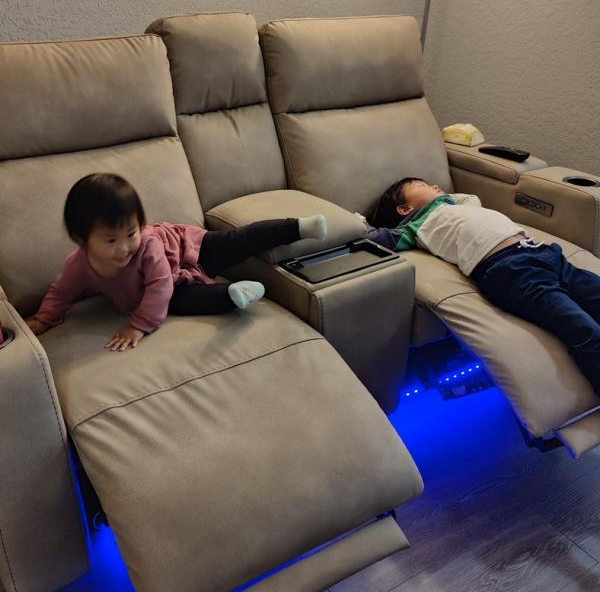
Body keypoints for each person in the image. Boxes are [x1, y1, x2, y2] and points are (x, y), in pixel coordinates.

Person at [26, 173, 327, 351]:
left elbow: (159, 284)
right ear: (82, 239)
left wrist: (138, 326)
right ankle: (236, 293)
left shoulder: (147, 244)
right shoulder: (79, 265)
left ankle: (297, 227)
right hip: (174, 286)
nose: (124, 248)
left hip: (188, 250)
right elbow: (61, 292)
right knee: (185, 302)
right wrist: (43, 318)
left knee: (235, 241)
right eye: (110, 240)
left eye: (130, 233)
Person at [362, 176, 600, 395]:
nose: (434, 186)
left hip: (545, 253)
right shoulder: (415, 228)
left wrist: (439, 198)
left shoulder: (464, 205)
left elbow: (468, 197)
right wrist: (359, 220)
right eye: (422, 185)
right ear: (405, 209)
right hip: (512, 270)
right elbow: (377, 238)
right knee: (583, 330)